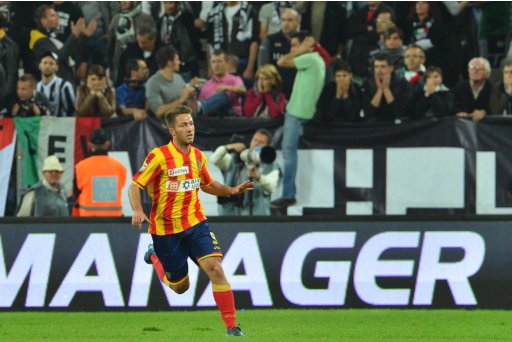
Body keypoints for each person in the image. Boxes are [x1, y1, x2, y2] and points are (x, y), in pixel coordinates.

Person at [129, 105, 252, 337]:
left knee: (216, 268)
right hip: (166, 231)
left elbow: (207, 184)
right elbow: (135, 185)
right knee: (180, 287)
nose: (190, 128)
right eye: (183, 125)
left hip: (195, 223)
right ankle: (154, 255)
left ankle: (232, 328)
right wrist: (137, 210)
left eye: (191, 123)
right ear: (172, 131)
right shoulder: (159, 156)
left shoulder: (197, 156)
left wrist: (230, 190)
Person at [271, 31, 326, 209]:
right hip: (297, 112)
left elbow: (281, 62)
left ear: (307, 45)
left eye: (296, 45)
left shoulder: (310, 58)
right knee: (282, 149)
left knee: (288, 153)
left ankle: (288, 195)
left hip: (296, 113)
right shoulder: (315, 60)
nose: (292, 49)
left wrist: (301, 49)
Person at [211, 129, 280, 216]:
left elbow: (271, 186)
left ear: (267, 146)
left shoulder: (271, 165)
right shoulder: (236, 159)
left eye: (261, 142)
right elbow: (215, 159)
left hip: (257, 216)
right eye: (255, 140)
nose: (256, 143)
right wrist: (227, 147)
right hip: (231, 214)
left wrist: (258, 176)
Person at [73, 128, 127, 217]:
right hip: (114, 220)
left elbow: (76, 194)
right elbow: (120, 187)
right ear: (107, 144)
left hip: (87, 220)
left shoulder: (80, 167)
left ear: (89, 145)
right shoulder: (120, 167)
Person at [257, 8, 300, 99]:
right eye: (283, 20)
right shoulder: (270, 40)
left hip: (298, 89)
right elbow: (262, 68)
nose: (286, 23)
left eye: (290, 20)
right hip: (275, 92)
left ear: (298, 22)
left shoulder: (304, 41)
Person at [145, 45, 196, 119]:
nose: (179, 62)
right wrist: (181, 99)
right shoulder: (152, 83)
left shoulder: (178, 77)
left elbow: (187, 104)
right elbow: (159, 111)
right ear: (169, 63)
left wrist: (190, 96)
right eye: (177, 59)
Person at [362, 53, 411, 122]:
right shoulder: (368, 83)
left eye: (383, 66)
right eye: (376, 66)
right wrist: (380, 90)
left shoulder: (401, 82)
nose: (379, 70)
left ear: (391, 68)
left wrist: (386, 89)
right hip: (374, 121)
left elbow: (399, 112)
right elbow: (368, 113)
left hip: (395, 121)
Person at [197, 49, 246, 117]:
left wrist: (227, 87)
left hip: (231, 117)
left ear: (226, 63)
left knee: (223, 96)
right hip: (211, 118)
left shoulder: (235, 79)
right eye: (213, 62)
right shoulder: (206, 85)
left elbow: (243, 90)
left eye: (219, 61)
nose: (216, 65)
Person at [36, 52, 76, 117]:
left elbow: (72, 111)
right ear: (39, 66)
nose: (47, 66)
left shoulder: (64, 86)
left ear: (56, 67)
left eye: (51, 63)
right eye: (45, 63)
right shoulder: (36, 87)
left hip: (61, 125)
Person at [453, 57, 492, 122]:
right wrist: (458, 112)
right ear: (468, 71)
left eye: (479, 69)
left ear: (487, 73)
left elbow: (494, 108)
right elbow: (453, 106)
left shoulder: (491, 87)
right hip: (463, 125)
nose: (475, 71)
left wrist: (484, 112)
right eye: (472, 68)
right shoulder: (460, 86)